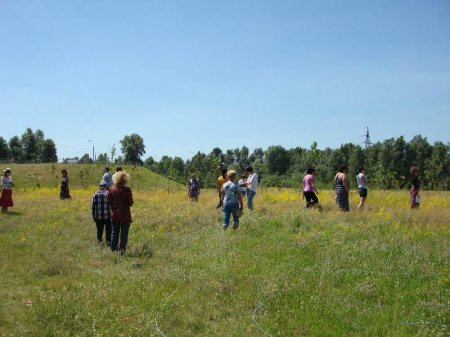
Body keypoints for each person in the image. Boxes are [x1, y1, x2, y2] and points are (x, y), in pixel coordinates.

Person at [108, 171, 134, 254]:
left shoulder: (112, 189)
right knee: (124, 235)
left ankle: (113, 250)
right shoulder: (127, 190)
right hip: (125, 215)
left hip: (115, 215)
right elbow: (130, 203)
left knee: (114, 233)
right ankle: (122, 251)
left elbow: (109, 202)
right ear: (125, 179)